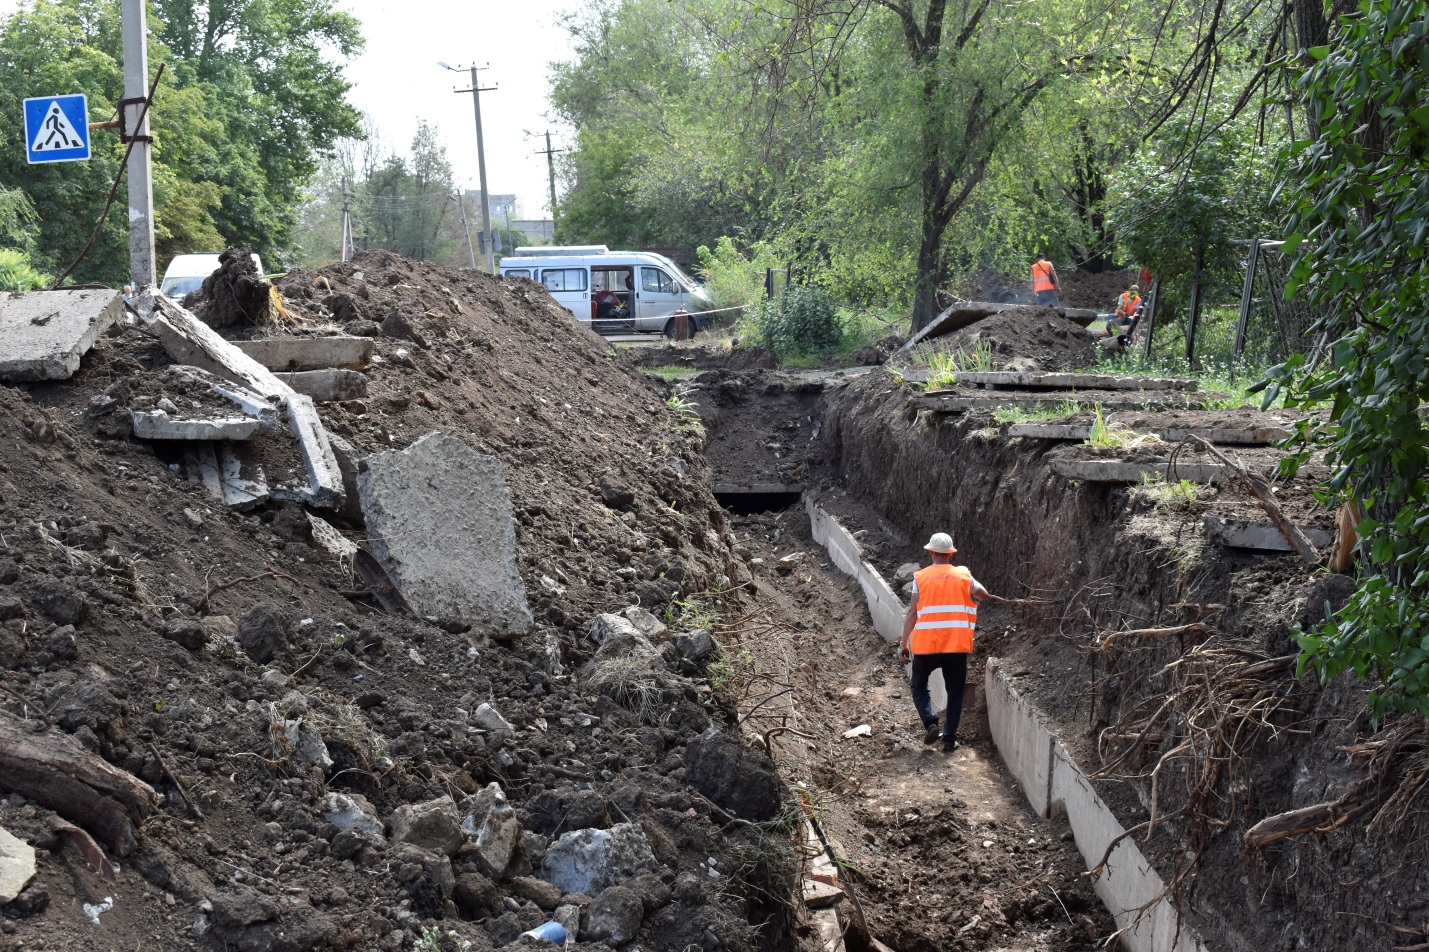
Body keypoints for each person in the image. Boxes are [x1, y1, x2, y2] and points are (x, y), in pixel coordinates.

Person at [898, 532, 989, 753]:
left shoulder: (920, 577)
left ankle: (930, 723)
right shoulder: (963, 575)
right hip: (955, 647)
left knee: (919, 685)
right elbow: (984, 595)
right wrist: (971, 588)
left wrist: (904, 643)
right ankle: (949, 739)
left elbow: (912, 613)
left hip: (927, 646)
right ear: (950, 554)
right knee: (955, 692)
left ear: (930, 553)